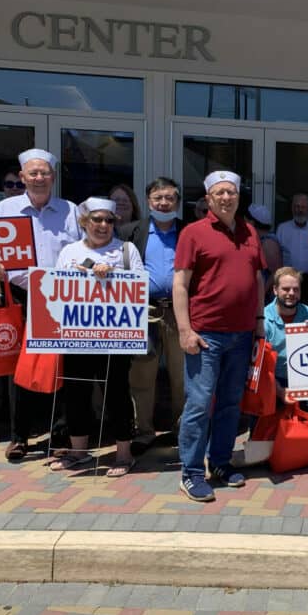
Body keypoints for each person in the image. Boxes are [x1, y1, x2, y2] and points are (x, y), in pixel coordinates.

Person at [174, 170, 265, 502]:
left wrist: (257, 320)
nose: (226, 198)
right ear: (208, 198)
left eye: (232, 192)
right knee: (199, 404)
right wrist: (185, 329)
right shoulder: (193, 233)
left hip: (241, 335)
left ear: (239, 197)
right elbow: (180, 284)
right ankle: (192, 472)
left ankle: (221, 463)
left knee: (230, 404)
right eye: (220, 193)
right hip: (205, 335)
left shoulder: (250, 232)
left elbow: (256, 280)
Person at [0, 148, 82, 461]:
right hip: (20, 295)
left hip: (61, 298)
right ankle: (19, 437)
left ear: (53, 177)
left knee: (62, 367)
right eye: (33, 173)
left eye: (45, 173)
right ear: (23, 176)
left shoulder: (71, 210)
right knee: (22, 368)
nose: (39, 178)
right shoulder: (5, 208)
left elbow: (82, 251)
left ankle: (60, 434)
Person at [50, 197, 144, 476]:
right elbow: (56, 286)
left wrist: (112, 274)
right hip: (77, 335)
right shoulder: (69, 251)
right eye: (97, 220)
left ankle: (124, 454)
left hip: (115, 335)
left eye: (109, 220)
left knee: (116, 392)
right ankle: (79, 451)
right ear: (84, 222)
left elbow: (140, 284)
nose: (103, 225)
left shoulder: (126, 250)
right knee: (76, 392)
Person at [119, 177, 186, 453]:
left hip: (179, 312)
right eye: (158, 198)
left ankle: (183, 430)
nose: (164, 202)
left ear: (177, 202)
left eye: (169, 197)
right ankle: (144, 431)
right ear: (148, 201)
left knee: (182, 375)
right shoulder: (129, 231)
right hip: (143, 312)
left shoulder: (189, 232)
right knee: (142, 374)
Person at [263, 266, 308, 416]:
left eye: (296, 289)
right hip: (272, 379)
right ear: (275, 290)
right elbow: (260, 367)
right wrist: (279, 391)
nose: (291, 293)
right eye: (286, 289)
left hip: (304, 378)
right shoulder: (263, 320)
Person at [276, 194, 308, 307]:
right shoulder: (282, 229)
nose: (300, 210)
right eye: (297, 206)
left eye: (303, 207)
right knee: (288, 311)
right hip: (288, 279)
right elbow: (277, 255)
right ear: (292, 208)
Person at [248, 203, 283, 302]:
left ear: (253, 222)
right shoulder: (257, 240)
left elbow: (276, 272)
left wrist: (262, 293)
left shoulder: (268, 243)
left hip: (266, 299)